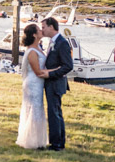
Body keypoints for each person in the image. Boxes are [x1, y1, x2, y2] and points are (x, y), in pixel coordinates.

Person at [16, 23, 58, 149]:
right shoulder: (32, 52)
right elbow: (38, 72)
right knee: (33, 110)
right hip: (33, 84)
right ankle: (31, 141)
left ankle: (38, 140)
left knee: (38, 110)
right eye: (39, 30)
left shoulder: (38, 48)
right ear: (34, 35)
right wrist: (57, 70)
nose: (41, 31)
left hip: (38, 84)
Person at [39, 17, 74, 151]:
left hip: (56, 83)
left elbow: (68, 66)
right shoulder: (53, 42)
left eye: (44, 27)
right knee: (55, 112)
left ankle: (57, 144)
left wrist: (50, 74)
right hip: (52, 83)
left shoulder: (62, 43)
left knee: (54, 113)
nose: (42, 30)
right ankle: (58, 142)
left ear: (51, 27)